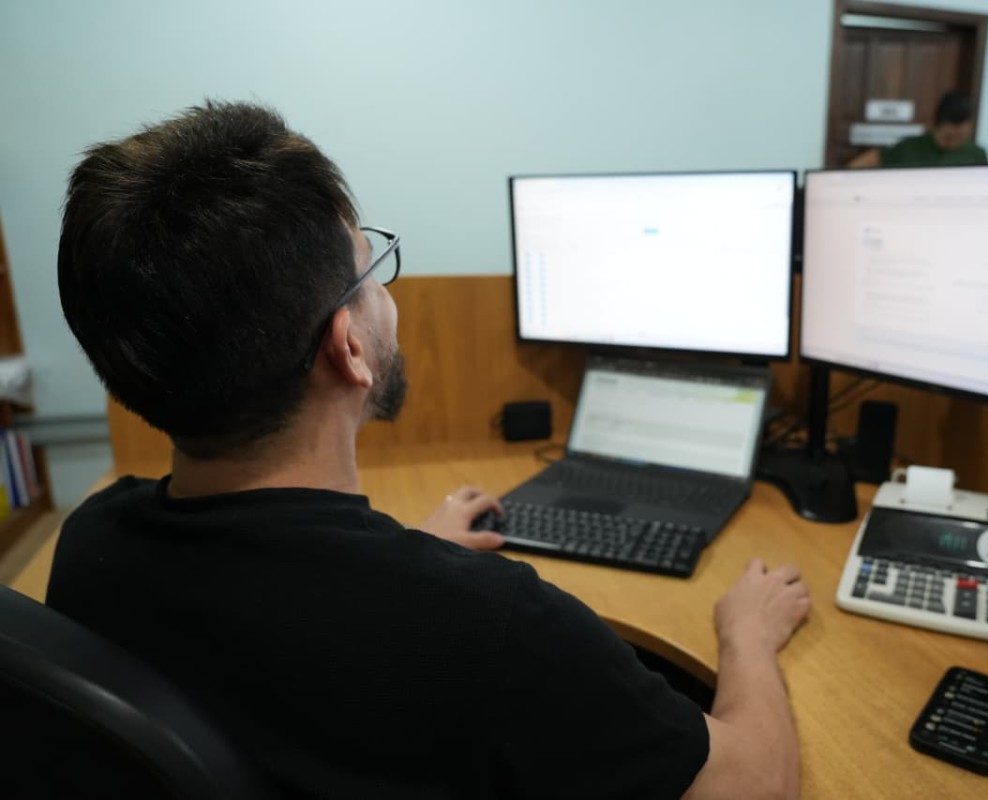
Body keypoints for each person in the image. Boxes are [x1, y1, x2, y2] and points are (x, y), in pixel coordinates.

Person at [50, 100, 812, 799]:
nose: (386, 297)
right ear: (350, 347)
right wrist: (745, 636)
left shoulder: (91, 545)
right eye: (370, 271)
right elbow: (755, 784)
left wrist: (413, 555)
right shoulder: (490, 625)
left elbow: (300, 616)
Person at [849, 91, 988, 168]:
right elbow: (872, 159)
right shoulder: (910, 147)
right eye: (949, 136)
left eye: (961, 137)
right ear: (937, 125)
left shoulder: (976, 154)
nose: (954, 141)